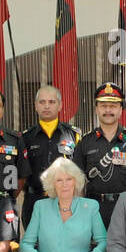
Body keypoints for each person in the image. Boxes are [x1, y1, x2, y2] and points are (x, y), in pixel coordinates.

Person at [73, 82, 126, 229]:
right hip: (94, 209)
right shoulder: (85, 142)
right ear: (96, 109)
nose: (108, 110)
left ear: (120, 110)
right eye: (103, 106)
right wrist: (79, 212)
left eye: (113, 106)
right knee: (96, 249)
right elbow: (78, 182)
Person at [20, 85, 80, 227]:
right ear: (35, 106)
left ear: (60, 105)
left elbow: (79, 171)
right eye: (42, 102)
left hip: (65, 201)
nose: (47, 106)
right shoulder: (25, 137)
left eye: (52, 102)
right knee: (33, 245)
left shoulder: (74, 135)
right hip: (34, 201)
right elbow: (22, 171)